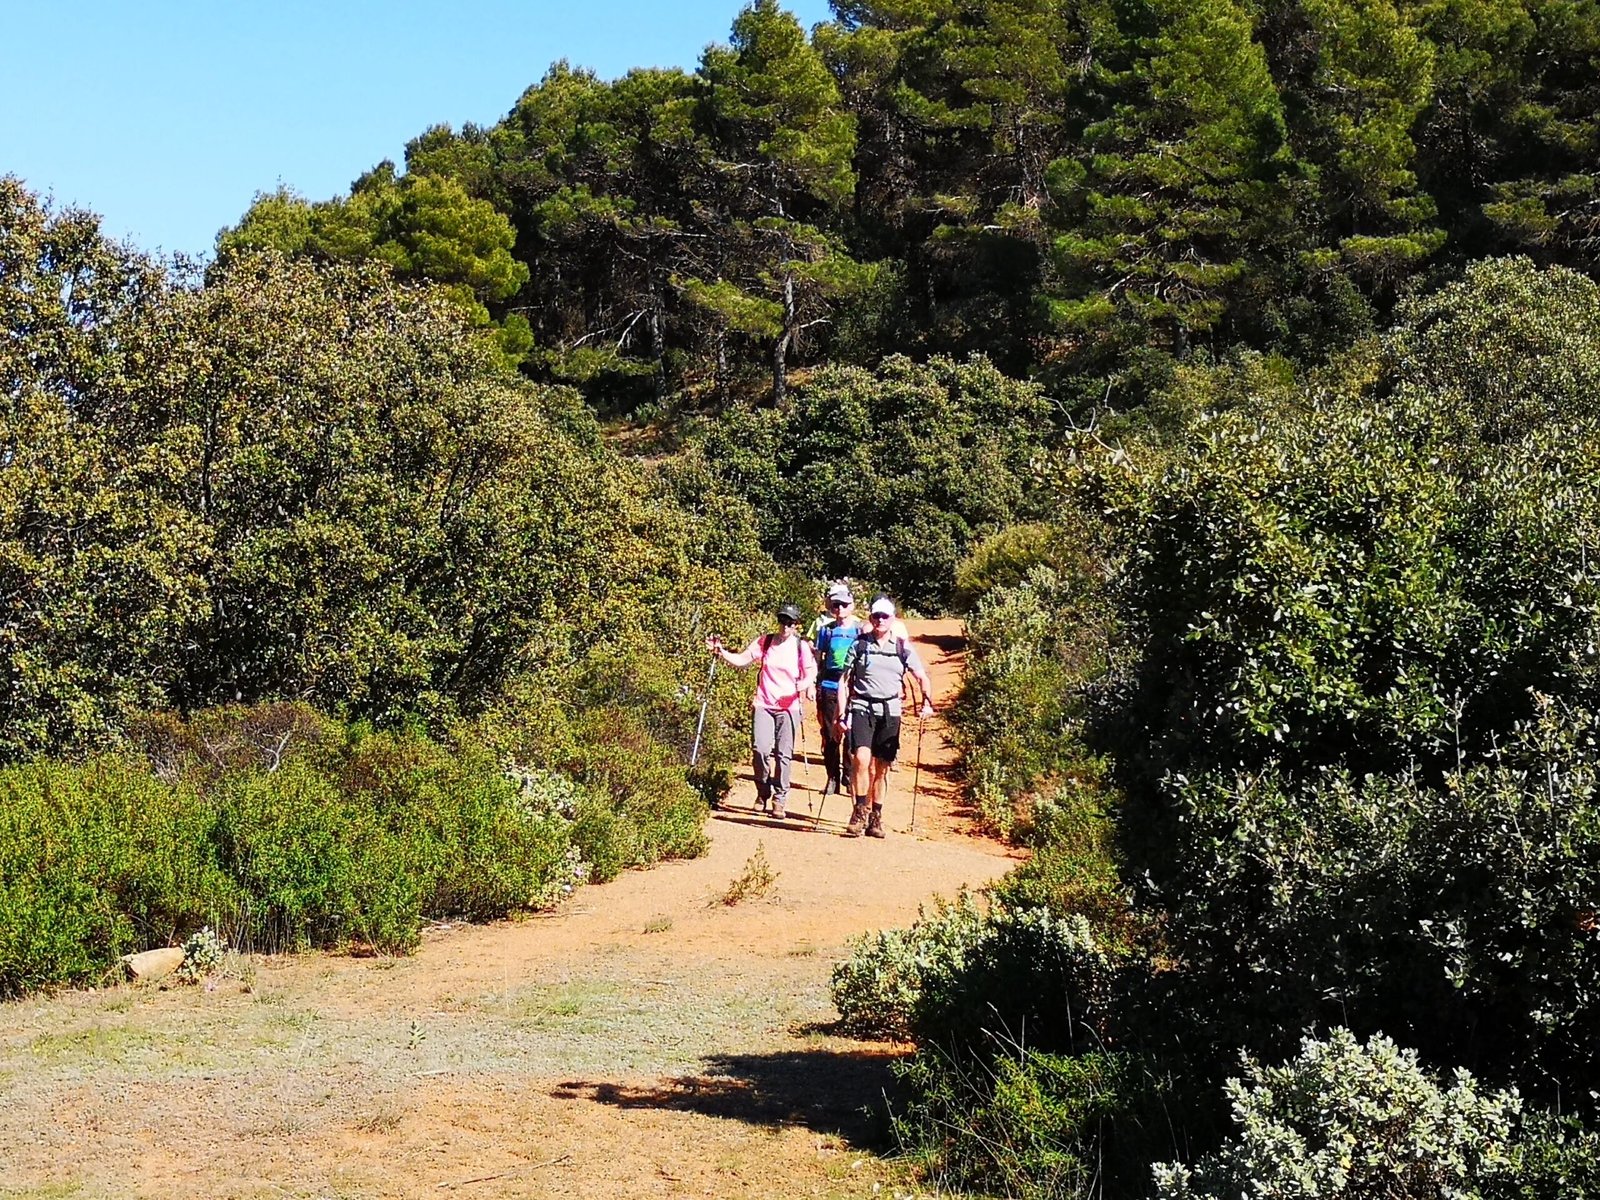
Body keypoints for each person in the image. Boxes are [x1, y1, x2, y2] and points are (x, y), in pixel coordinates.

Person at [835, 596, 934, 838]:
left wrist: (927, 703)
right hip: (862, 707)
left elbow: (921, 676)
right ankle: (859, 811)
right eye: (876, 616)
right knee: (860, 759)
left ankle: (875, 817)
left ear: (892, 620)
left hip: (890, 711)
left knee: (882, 768)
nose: (880, 620)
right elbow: (844, 681)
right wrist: (840, 713)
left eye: (885, 616)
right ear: (870, 618)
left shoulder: (902, 648)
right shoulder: (859, 645)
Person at [707, 604, 817, 820]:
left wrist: (800, 687)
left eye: (790, 623)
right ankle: (762, 791)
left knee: (784, 755)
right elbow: (742, 660)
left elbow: (810, 674)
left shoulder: (800, 647)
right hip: (764, 704)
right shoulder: (765, 642)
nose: (785, 626)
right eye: (783, 621)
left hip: (789, 707)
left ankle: (779, 799)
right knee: (760, 749)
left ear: (796, 625)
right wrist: (722, 653)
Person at [811, 582, 863, 797]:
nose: (839, 609)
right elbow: (818, 657)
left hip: (854, 687)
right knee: (830, 734)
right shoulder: (826, 631)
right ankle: (832, 777)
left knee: (851, 735)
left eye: (843, 604)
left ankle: (849, 776)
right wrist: (814, 683)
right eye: (835, 605)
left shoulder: (861, 630)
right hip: (830, 685)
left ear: (851, 605)